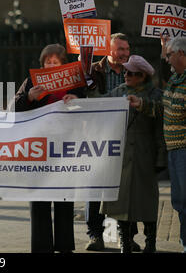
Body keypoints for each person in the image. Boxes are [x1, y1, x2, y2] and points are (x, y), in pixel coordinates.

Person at [13, 43, 84, 253]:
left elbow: (88, 106)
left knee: (64, 199)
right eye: (47, 62)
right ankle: (41, 246)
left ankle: (64, 246)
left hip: (65, 148)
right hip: (38, 150)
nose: (51, 65)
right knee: (39, 200)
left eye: (55, 62)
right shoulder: (31, 82)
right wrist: (29, 97)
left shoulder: (73, 82)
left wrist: (77, 99)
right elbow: (14, 107)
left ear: (63, 64)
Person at [97, 55, 165, 253]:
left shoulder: (155, 95)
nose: (125, 75)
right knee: (120, 203)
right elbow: (99, 105)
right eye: (125, 72)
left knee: (147, 201)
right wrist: (78, 100)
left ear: (142, 76)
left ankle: (150, 242)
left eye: (130, 73)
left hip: (145, 155)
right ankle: (125, 242)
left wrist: (160, 158)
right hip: (122, 156)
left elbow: (161, 126)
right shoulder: (119, 92)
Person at [83, 33, 141, 252]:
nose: (125, 53)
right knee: (96, 188)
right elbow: (89, 98)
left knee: (126, 188)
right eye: (120, 49)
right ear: (108, 50)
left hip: (128, 136)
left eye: (127, 49)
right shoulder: (93, 71)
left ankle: (126, 235)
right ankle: (96, 235)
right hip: (99, 136)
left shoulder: (135, 69)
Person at [128, 36, 186, 253]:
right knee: (179, 201)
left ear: (181, 54)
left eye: (169, 55)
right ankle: (184, 241)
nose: (167, 60)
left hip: (184, 149)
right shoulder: (175, 80)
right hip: (174, 149)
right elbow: (164, 108)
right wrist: (141, 103)